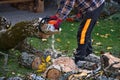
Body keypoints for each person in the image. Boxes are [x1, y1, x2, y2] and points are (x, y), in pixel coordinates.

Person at [47, 0, 105, 66]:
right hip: (90, 8)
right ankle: (87, 53)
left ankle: (80, 58)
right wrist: (57, 15)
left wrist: (60, 19)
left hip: (94, 8)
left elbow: (69, 4)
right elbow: (63, 1)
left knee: (83, 33)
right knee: (85, 31)